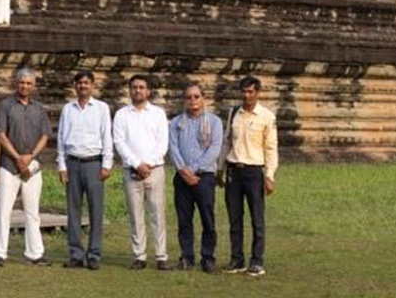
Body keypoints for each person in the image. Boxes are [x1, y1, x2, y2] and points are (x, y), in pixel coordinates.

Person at [0, 67, 52, 267]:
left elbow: (45, 135)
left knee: (32, 211)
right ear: (16, 83)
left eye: (28, 83)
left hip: (32, 165)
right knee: (3, 209)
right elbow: (1, 135)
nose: (24, 86)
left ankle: (35, 253)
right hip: (10, 164)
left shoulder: (39, 109)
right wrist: (18, 158)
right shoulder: (5, 106)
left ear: (34, 86)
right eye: (21, 82)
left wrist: (30, 157)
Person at [219, 74, 278, 277]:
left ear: (258, 93)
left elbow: (271, 148)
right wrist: (220, 169)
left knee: (257, 219)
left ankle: (257, 261)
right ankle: (237, 259)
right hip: (234, 169)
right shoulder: (234, 112)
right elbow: (227, 142)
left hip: (254, 171)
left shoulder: (267, 117)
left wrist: (269, 175)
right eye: (244, 91)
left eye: (250, 91)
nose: (247, 96)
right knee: (234, 218)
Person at [113, 74, 170, 271]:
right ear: (130, 90)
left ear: (148, 91)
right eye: (134, 87)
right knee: (135, 215)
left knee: (157, 213)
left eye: (141, 87)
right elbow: (119, 142)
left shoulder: (158, 113)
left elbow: (163, 143)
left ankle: (161, 256)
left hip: (155, 170)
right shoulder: (122, 115)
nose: (138, 90)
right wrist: (137, 164)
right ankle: (140, 255)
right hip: (131, 171)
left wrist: (148, 165)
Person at [57, 69, 111, 269]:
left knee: (96, 210)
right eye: (79, 83)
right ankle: (76, 254)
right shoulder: (67, 109)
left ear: (92, 85)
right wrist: (62, 166)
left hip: (94, 163)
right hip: (72, 163)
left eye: (87, 83)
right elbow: (62, 139)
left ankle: (94, 254)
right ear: (75, 86)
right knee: (73, 211)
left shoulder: (101, 108)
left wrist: (106, 164)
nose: (83, 86)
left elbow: (107, 137)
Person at [168, 82, 224, 272]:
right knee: (184, 219)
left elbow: (214, 150)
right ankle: (186, 257)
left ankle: (208, 257)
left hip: (205, 177)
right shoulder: (176, 123)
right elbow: (173, 148)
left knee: (207, 219)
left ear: (203, 98)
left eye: (196, 96)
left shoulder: (215, 122)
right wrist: (184, 171)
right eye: (189, 97)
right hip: (182, 178)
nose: (193, 100)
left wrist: (192, 169)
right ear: (184, 101)